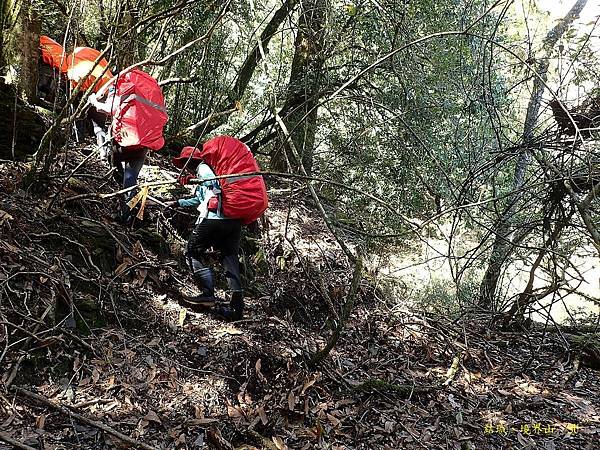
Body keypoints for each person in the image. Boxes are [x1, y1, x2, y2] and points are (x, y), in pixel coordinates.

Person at [166, 146, 244, 320]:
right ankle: (237, 308)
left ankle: (207, 293)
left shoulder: (203, 168)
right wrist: (178, 202)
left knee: (192, 250)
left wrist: (194, 180)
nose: (184, 168)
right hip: (232, 220)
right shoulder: (208, 172)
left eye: (184, 163)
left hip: (214, 218)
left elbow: (211, 182)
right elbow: (200, 199)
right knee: (229, 258)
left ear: (189, 161)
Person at [88, 88, 147, 225]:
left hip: (124, 143)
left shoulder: (122, 91)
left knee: (110, 158)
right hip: (142, 145)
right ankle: (128, 215)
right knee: (131, 180)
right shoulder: (144, 97)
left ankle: (126, 210)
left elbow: (109, 108)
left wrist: (93, 101)